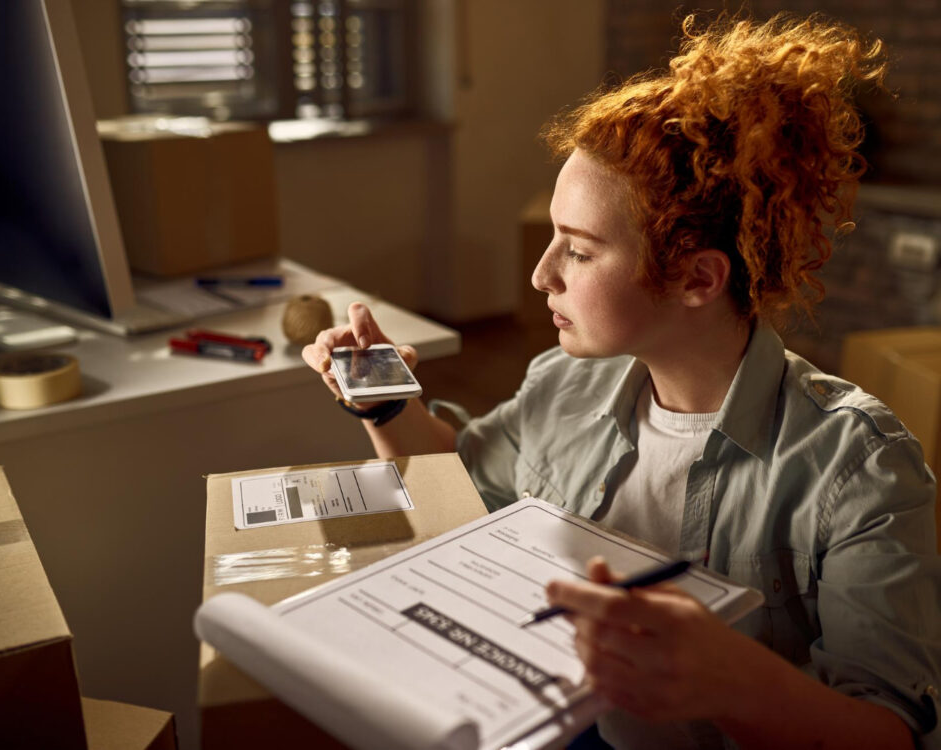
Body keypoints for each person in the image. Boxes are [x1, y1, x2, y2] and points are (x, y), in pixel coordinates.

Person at [302, 11, 940, 749]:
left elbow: (889, 731)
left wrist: (730, 679)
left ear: (698, 277)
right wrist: (384, 406)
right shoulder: (563, 386)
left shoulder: (859, 467)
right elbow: (465, 488)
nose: (541, 275)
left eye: (577, 251)